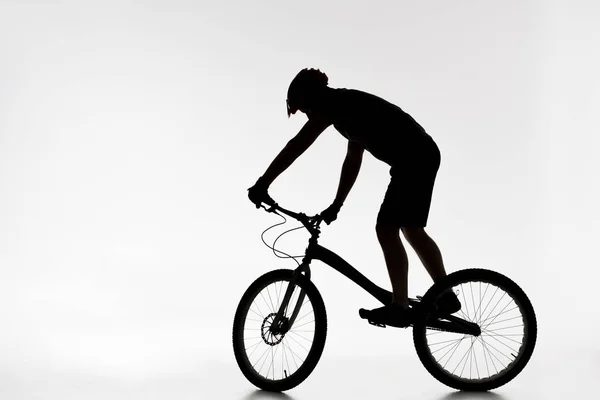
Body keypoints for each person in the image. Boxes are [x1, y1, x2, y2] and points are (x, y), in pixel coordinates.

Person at [247, 68, 460, 328]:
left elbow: (298, 144)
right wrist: (337, 204)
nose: (307, 115)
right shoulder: (347, 109)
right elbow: (353, 158)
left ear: (310, 95)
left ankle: (400, 306)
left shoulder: (333, 104)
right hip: (419, 155)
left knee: (387, 228)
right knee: (411, 230)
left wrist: (263, 183)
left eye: (304, 109)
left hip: (414, 158)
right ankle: (445, 294)